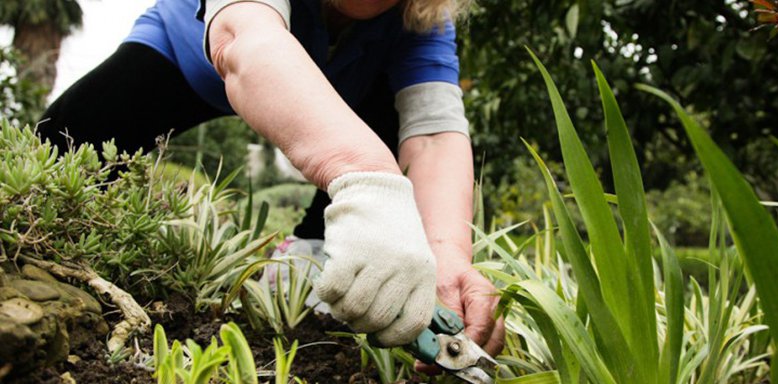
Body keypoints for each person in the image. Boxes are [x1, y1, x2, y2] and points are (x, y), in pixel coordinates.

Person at [37, 0, 504, 358]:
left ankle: (317, 251)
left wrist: (447, 256)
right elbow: (250, 45)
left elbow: (434, 133)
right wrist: (366, 178)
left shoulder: (422, 19)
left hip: (344, 99)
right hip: (188, 56)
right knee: (62, 147)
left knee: (394, 105)